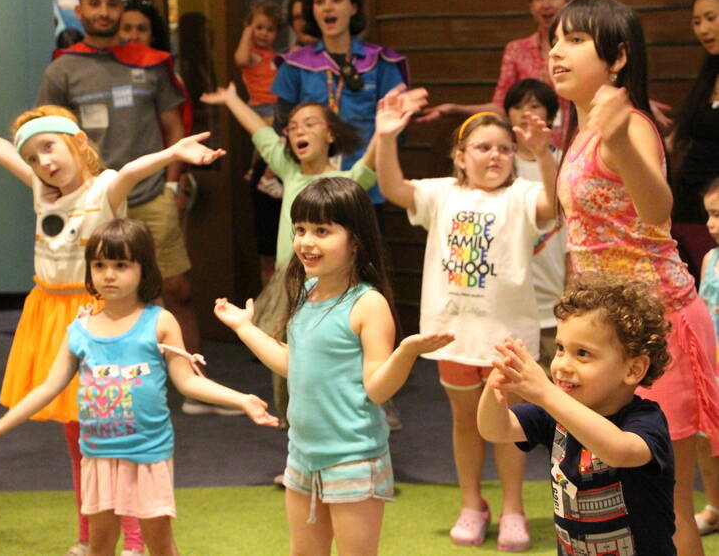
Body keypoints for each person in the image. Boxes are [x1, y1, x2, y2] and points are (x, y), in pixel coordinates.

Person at [0, 103, 225, 556]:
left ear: (78, 143)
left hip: (99, 313)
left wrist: (173, 153)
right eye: (33, 156)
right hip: (49, 314)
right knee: (79, 435)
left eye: (49, 147)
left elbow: (130, 170)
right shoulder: (40, 191)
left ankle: (132, 541)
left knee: (115, 429)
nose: (42, 162)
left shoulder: (105, 189)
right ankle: (89, 536)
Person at [0, 218, 278, 556]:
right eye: (99, 265)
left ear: (143, 269)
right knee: (101, 543)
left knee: (159, 542)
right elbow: (48, 388)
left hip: (148, 454)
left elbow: (187, 381)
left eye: (121, 265)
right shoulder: (80, 330)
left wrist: (241, 399)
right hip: (98, 455)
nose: (109, 274)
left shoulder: (159, 322)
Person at [547, 0, 719, 554]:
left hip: (657, 330)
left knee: (663, 505)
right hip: (608, 335)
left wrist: (618, 139)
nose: (556, 51)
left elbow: (657, 208)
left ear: (618, 57)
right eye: (555, 39)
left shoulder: (631, 127)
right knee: (617, 490)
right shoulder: (580, 132)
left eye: (574, 40)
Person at [214, 177, 454, 555]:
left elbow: (376, 388)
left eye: (322, 230)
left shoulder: (367, 304)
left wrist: (405, 353)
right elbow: (294, 363)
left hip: (353, 459)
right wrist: (244, 327)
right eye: (301, 229)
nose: (306, 241)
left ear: (355, 239)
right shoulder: (307, 290)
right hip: (302, 453)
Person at [375, 103, 557, 550]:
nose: (494, 156)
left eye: (504, 149)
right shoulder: (441, 194)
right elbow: (392, 187)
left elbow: (554, 204)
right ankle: (472, 504)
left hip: (507, 338)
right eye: (482, 148)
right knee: (464, 423)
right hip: (452, 336)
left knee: (508, 424)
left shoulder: (521, 195)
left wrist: (545, 155)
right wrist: (384, 136)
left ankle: (513, 507)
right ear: (460, 155)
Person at [37, 0, 217, 422]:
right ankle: (105, 390)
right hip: (95, 201)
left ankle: (197, 389)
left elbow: (175, 128)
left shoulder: (151, 63)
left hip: (154, 193)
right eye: (94, 4)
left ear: (121, 10)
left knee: (178, 290)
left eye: (111, 4)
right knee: (101, 293)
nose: (104, 12)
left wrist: (175, 182)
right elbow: (47, 136)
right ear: (79, 12)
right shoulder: (61, 69)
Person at [201, 82, 378, 427]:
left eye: (310, 123)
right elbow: (259, 131)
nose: (300, 130)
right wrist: (232, 99)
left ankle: (350, 415)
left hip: (334, 286)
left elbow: (370, 165)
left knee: (334, 356)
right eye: (293, 126)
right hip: (289, 283)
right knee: (283, 360)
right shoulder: (289, 170)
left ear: (330, 134)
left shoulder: (345, 181)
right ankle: (294, 423)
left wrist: (386, 131)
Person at [478, 275, 676, 555]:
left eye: (582, 353)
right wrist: (493, 389)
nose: (562, 365)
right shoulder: (554, 411)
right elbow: (495, 430)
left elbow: (619, 450)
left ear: (633, 369)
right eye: (560, 349)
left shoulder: (645, 420)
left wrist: (546, 393)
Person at [271, 0, 409, 214]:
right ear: (312, 11)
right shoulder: (294, 65)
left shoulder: (381, 62)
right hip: (312, 189)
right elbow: (282, 127)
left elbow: (397, 130)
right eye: (319, 1)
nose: (327, 7)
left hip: (365, 185)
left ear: (353, 7)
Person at [419, 0, 572, 146]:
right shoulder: (517, 50)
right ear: (531, 6)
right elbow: (500, 106)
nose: (546, 4)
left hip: (575, 140)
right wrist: (454, 108)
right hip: (528, 145)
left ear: (567, 1)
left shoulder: (578, 47)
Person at [503, 79, 567, 369]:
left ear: (551, 115)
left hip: (556, 293)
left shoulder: (565, 163)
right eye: (516, 107)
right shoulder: (500, 165)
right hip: (512, 303)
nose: (524, 113)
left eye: (534, 106)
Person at [234, 0, 284, 286]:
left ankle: (259, 171)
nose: (264, 34)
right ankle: (262, 174)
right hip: (260, 109)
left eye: (269, 29)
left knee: (268, 144)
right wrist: (247, 32)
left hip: (276, 108)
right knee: (264, 143)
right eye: (259, 28)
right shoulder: (251, 55)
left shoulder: (275, 56)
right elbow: (239, 59)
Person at [670, 0, 719, 282]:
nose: (702, 29)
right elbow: (678, 139)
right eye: (696, 22)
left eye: (711, 19)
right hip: (687, 204)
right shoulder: (707, 74)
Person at [696, 176, 719, 536]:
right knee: (705, 439)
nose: (710, 224)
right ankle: (715, 505)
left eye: (717, 215)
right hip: (709, 368)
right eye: (709, 215)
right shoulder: (710, 259)